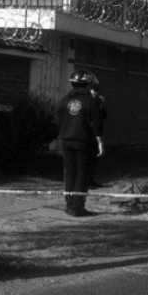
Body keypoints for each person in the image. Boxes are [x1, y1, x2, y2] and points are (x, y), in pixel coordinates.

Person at [57, 68, 104, 217]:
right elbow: (96, 124)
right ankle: (78, 208)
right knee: (82, 174)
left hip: (66, 141)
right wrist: (100, 143)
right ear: (87, 84)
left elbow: (59, 121)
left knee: (69, 174)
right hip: (84, 142)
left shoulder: (64, 100)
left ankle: (69, 205)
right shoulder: (91, 101)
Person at [87, 80, 107, 188]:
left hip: (94, 135)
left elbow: (103, 115)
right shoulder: (87, 103)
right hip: (88, 134)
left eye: (96, 94)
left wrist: (100, 105)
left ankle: (90, 180)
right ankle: (86, 181)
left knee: (93, 159)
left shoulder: (97, 104)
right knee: (87, 159)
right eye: (93, 94)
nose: (95, 96)